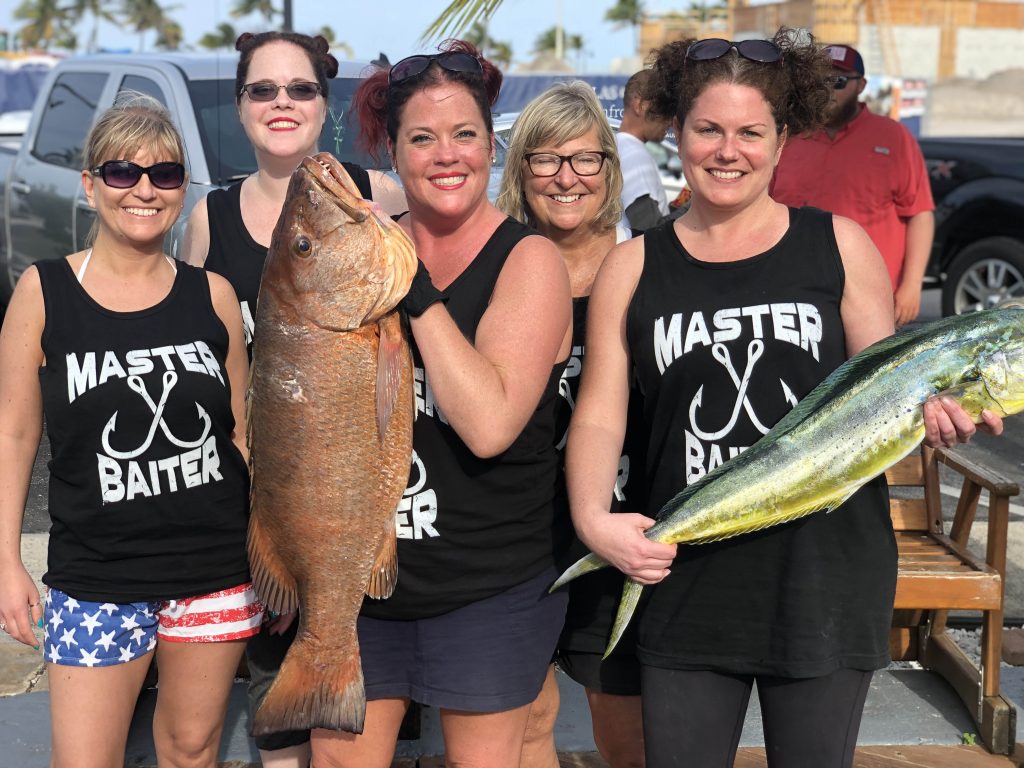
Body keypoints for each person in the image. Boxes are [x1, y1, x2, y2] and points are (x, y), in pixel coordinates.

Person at [564, 31, 1003, 768]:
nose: (726, 151)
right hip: (685, 574)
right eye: (707, 129)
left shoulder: (838, 245)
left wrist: (940, 421)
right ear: (677, 133)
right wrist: (591, 520)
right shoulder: (632, 265)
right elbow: (602, 412)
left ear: (782, 140)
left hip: (824, 578)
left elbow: (892, 387)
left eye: (749, 133)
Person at [306, 40, 572, 768]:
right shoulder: (365, 252)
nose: (445, 154)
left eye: (465, 134)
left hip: (485, 584)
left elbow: (488, 426)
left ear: (493, 144)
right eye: (422, 138)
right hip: (360, 580)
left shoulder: (530, 261)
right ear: (392, 152)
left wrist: (413, 286)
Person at [0, 94, 259, 768]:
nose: (144, 189)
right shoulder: (44, 290)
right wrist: (4, 562)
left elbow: (244, 434)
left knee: (192, 749)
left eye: (165, 174)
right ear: (91, 186)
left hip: (215, 569)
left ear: (181, 188)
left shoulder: (213, 295)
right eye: (122, 172)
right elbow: (14, 434)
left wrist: (276, 551)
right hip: (95, 573)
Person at [181, 32, 407, 768]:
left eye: (300, 89)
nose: (282, 103)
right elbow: (203, 375)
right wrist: (266, 546)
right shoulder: (209, 219)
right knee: (278, 742)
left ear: (324, 102)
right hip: (261, 500)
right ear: (242, 104)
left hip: (365, 490)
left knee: (353, 747)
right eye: (263, 90)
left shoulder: (382, 199)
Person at [496, 82, 645, 768]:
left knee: (624, 723)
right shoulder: (495, 269)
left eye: (586, 160)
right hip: (516, 531)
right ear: (520, 170)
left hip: (620, 525)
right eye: (546, 159)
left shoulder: (645, 267)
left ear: (610, 171)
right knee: (526, 719)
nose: (566, 178)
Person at [770, 43, 935, 328]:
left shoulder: (894, 138)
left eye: (838, 81)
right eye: (818, 81)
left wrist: (911, 285)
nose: (827, 90)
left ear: (861, 86)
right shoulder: (788, 138)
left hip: (873, 299)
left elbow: (920, 213)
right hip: (793, 298)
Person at [616, 69, 673, 231]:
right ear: (640, 105)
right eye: (665, 108)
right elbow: (649, 231)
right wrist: (691, 207)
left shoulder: (621, 147)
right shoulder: (634, 155)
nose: (670, 120)